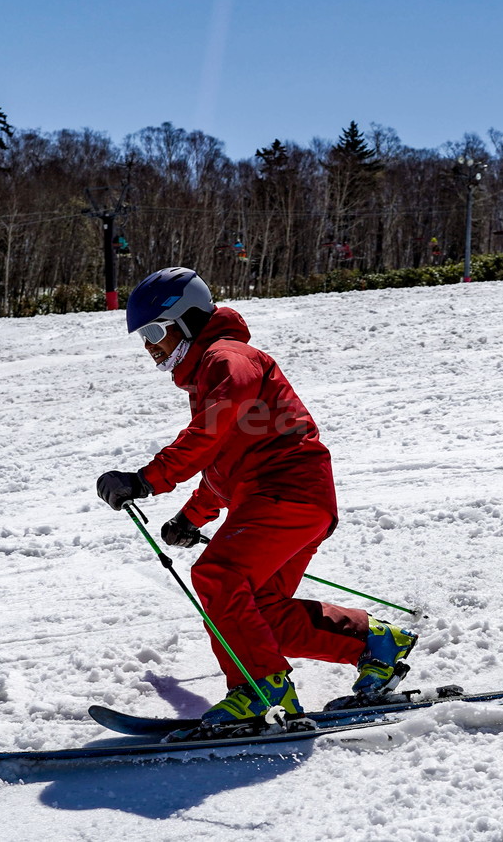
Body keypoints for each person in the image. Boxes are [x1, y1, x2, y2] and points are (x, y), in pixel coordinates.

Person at [96, 267, 417, 726]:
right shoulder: (209, 373)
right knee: (261, 615)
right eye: (141, 336)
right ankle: (375, 643)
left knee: (219, 575)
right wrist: (192, 518)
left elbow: (211, 431)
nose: (148, 346)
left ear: (185, 320)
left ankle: (261, 689)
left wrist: (148, 479)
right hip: (289, 501)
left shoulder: (228, 359)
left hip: (286, 494)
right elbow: (224, 466)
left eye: (153, 331)